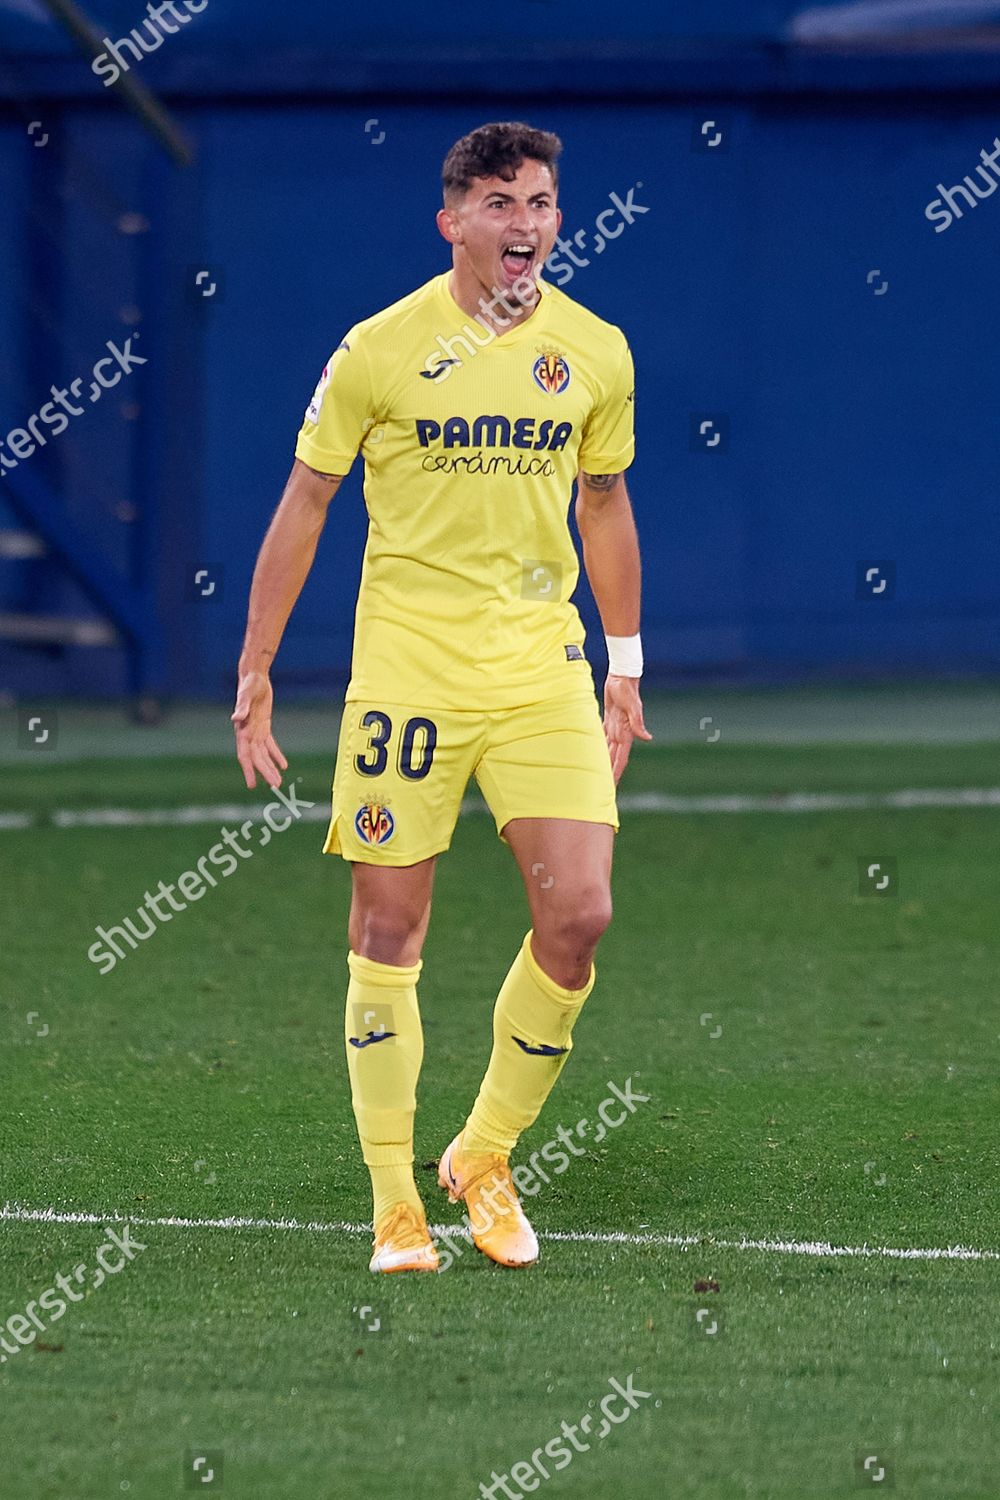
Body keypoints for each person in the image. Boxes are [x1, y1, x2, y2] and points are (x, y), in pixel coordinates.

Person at [232, 120, 650, 1274]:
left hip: (537, 671)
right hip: (409, 674)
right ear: (452, 221)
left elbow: (604, 504)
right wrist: (257, 667)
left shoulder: (594, 351)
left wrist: (623, 666)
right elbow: (307, 502)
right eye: (504, 205)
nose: (527, 226)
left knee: (580, 916)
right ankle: (393, 1201)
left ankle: (481, 1153)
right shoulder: (378, 350)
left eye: (543, 204)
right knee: (388, 926)